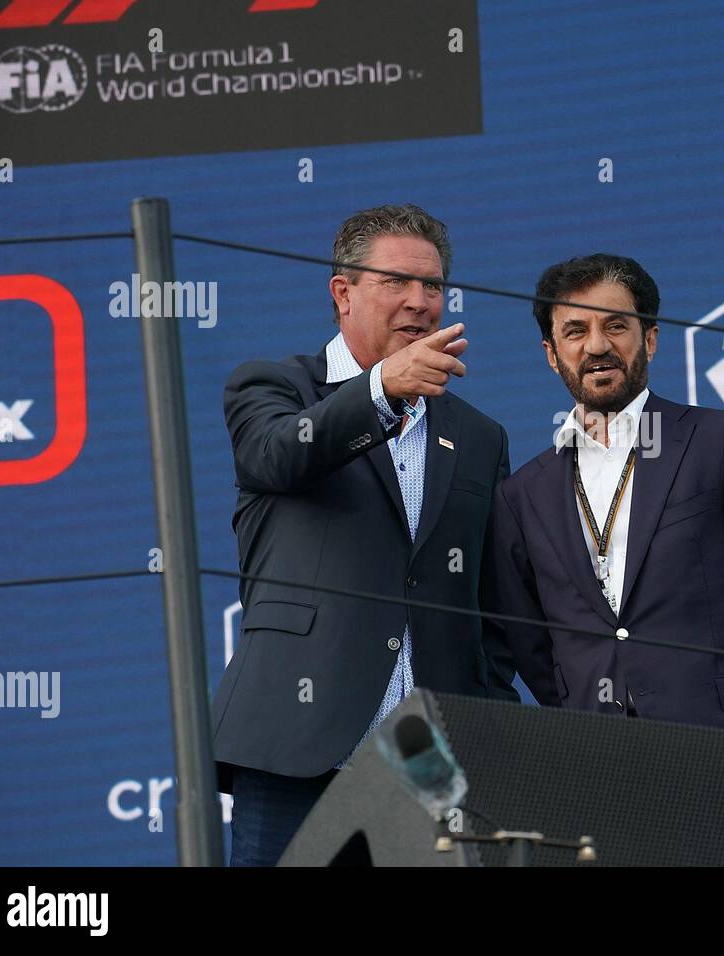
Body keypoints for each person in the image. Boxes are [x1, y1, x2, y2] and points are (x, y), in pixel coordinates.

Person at [482, 253, 724, 803]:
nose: (597, 346)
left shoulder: (722, 440)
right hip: (609, 782)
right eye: (575, 331)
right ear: (551, 353)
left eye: (616, 325)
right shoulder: (521, 496)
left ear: (650, 339)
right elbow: (534, 647)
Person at [213, 204, 517, 866]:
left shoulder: (478, 435)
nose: (419, 302)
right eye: (396, 283)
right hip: (298, 739)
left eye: (432, 286)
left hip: (428, 760)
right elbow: (276, 455)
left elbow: (491, 606)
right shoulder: (276, 388)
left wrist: (485, 729)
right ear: (343, 293)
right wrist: (382, 390)